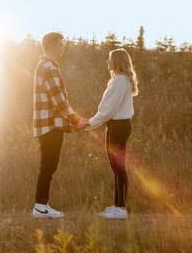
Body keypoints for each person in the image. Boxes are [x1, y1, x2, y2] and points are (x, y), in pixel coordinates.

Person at [31, 32, 88, 218]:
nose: (63, 48)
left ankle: (42, 205)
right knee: (48, 166)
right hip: (50, 124)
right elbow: (59, 101)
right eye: (61, 45)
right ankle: (40, 207)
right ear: (52, 46)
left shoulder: (46, 66)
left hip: (48, 124)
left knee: (48, 165)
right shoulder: (49, 67)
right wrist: (77, 120)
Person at [87, 47, 138, 219]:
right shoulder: (116, 81)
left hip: (119, 126)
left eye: (109, 59)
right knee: (115, 166)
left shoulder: (121, 81)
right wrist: (95, 120)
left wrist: (90, 123)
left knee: (119, 166)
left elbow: (109, 109)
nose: (107, 62)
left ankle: (121, 208)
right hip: (114, 126)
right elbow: (106, 108)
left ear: (116, 61)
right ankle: (117, 205)